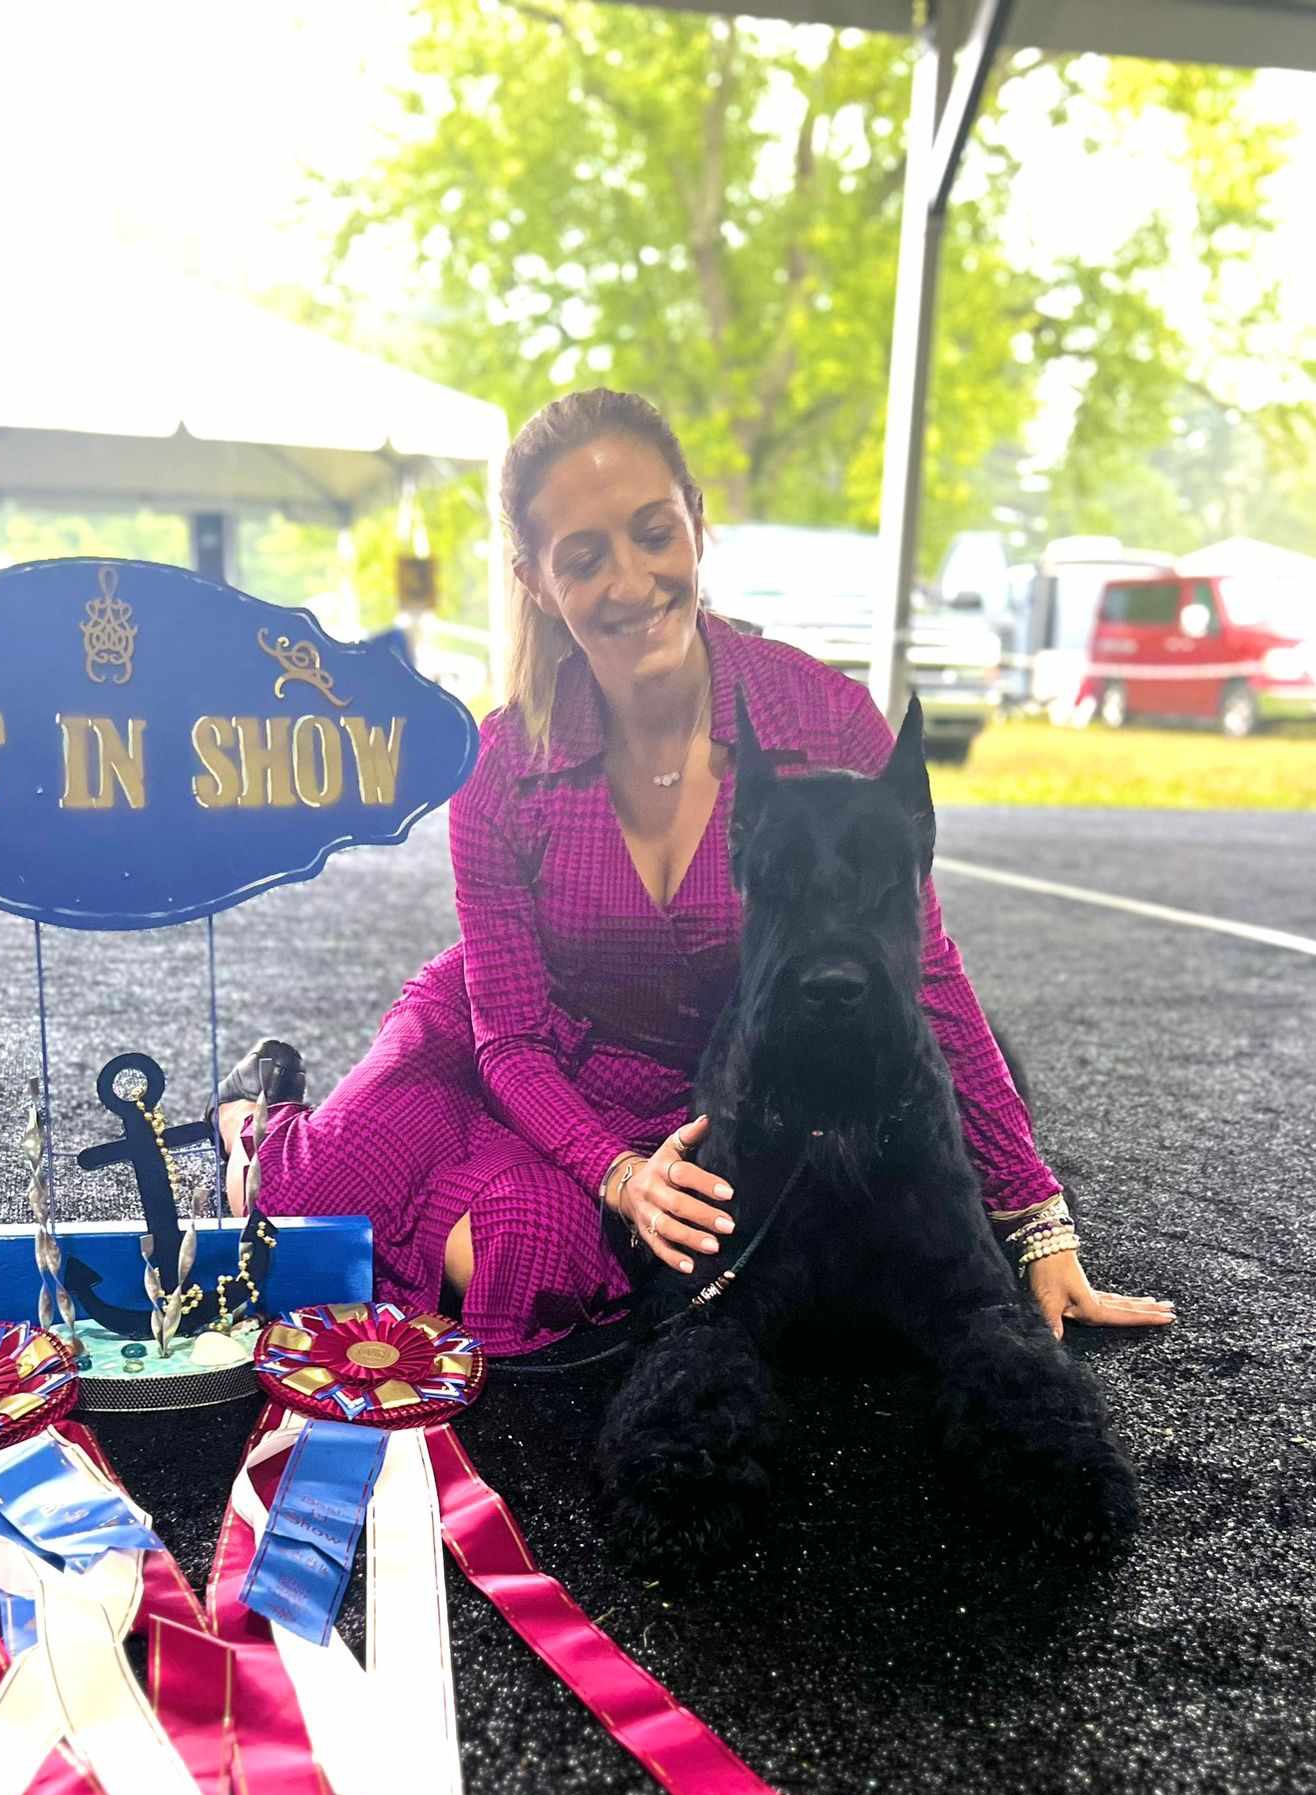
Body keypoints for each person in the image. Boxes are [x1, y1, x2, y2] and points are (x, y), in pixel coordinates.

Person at [215, 389, 1176, 1359]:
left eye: (652, 534)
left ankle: (446, 1208)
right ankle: (256, 1120)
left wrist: (1037, 1220)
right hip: (502, 1044)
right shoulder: (497, 765)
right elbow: (508, 1039)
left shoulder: (828, 723)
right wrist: (618, 1175)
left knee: (532, 1266)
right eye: (584, 559)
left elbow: (926, 972)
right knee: (299, 1207)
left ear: (696, 521)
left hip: (686, 1095)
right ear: (536, 581)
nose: (631, 582)